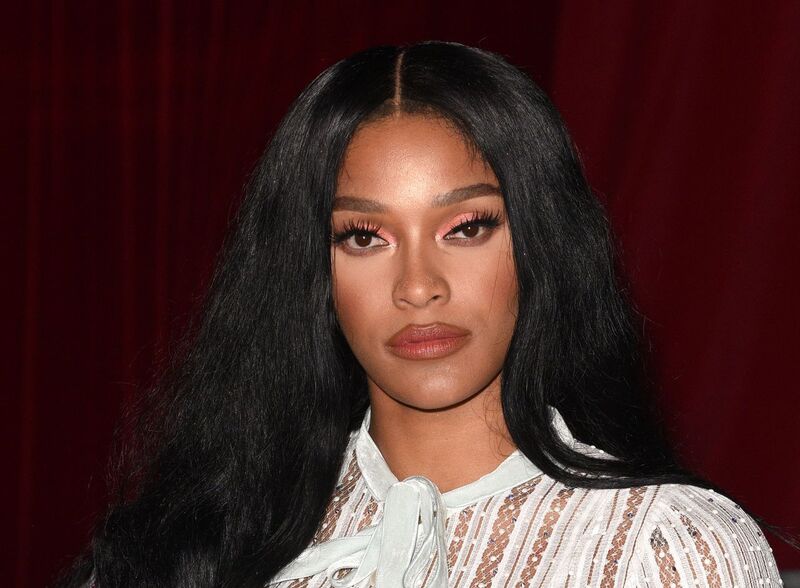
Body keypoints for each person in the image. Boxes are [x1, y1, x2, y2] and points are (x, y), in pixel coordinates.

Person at [62, 42, 785, 587]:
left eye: (466, 227)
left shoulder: (666, 548)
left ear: (539, 241)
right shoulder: (185, 546)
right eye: (364, 236)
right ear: (313, 271)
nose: (418, 286)